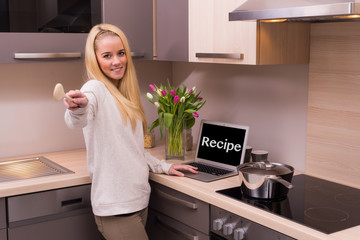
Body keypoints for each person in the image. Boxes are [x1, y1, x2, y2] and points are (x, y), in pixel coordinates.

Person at [62, 23, 198, 240]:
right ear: (95, 59)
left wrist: (164, 166)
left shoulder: (123, 94)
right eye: (107, 55)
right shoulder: (94, 89)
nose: (117, 61)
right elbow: (77, 119)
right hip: (115, 209)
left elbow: (133, 149)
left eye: (121, 53)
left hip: (138, 201)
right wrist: (77, 108)